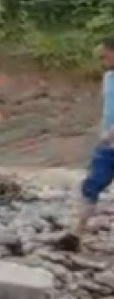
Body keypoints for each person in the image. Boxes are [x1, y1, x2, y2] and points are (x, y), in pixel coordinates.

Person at [58, 39, 114, 251]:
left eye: (106, 55)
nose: (103, 59)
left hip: (110, 138)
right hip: (107, 146)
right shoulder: (108, 78)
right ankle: (75, 233)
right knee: (91, 185)